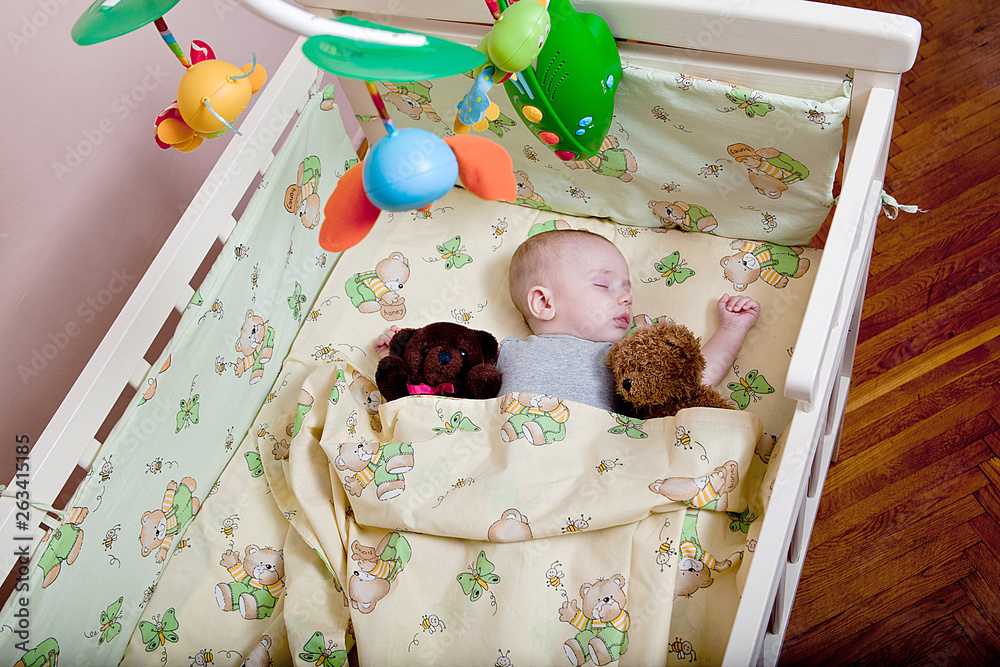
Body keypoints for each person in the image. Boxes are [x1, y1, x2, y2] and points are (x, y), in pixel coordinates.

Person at [376, 229, 760, 410]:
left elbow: (695, 376)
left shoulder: (626, 356)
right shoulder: (503, 353)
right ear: (543, 302)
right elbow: (446, 377)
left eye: (626, 288)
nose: (626, 296)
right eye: (602, 285)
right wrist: (402, 350)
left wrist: (731, 328)